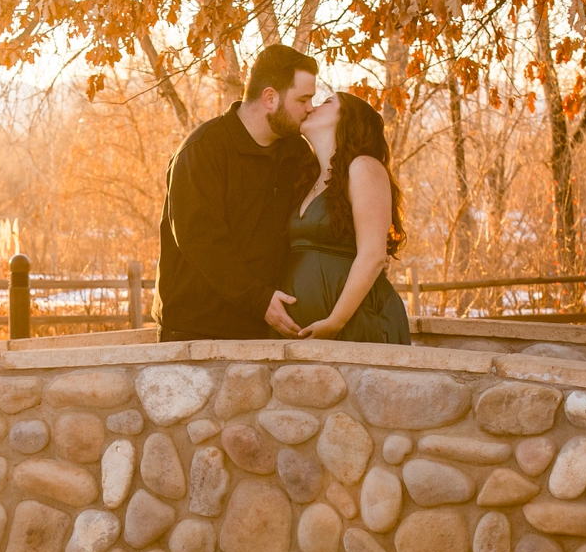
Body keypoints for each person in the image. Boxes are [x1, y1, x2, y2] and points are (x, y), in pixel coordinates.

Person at [156, 45, 321, 341]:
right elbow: (202, 241)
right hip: (197, 332)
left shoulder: (296, 153)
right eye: (303, 99)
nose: (310, 108)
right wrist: (259, 300)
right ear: (270, 98)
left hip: (265, 330)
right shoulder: (203, 151)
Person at [268, 85, 412, 344]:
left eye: (326, 102)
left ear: (347, 120)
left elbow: (373, 255)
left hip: (357, 325)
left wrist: (335, 321)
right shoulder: (309, 179)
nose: (311, 107)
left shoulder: (364, 167)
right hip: (302, 337)